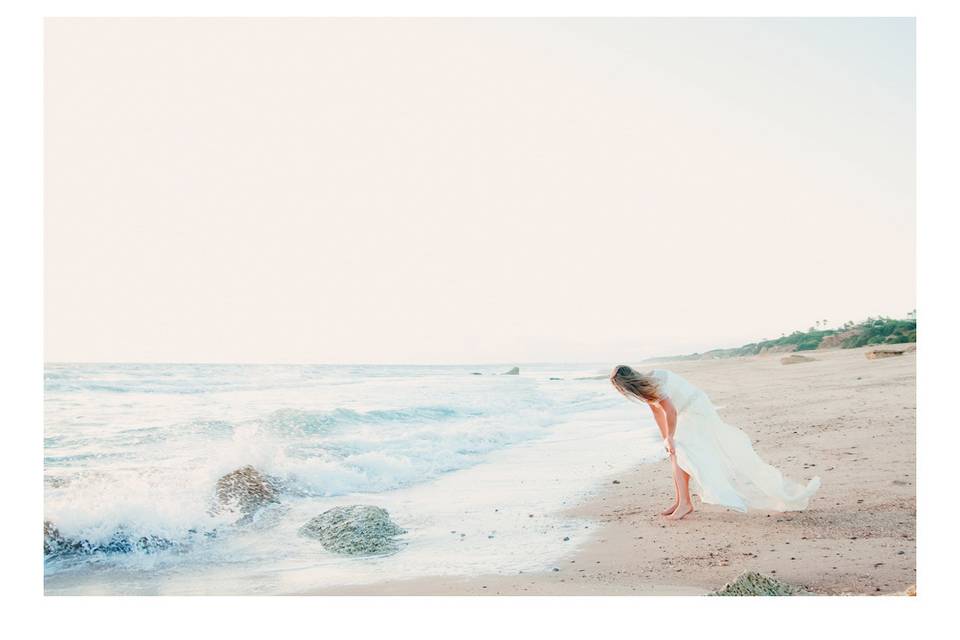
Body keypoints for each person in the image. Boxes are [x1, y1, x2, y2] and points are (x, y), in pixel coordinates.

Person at [609, 365, 820, 520]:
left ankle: (685, 503)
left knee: (682, 451)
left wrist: (671, 437)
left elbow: (670, 411)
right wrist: (667, 440)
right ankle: (681, 501)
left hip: (696, 409)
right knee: (677, 454)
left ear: (628, 386)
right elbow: (658, 414)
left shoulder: (657, 380)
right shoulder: (647, 387)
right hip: (686, 413)